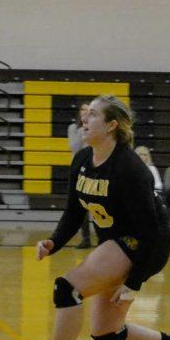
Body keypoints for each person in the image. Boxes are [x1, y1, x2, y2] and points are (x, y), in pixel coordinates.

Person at [9, 96, 170, 340]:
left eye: (93, 115)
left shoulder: (130, 169)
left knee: (67, 289)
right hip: (117, 243)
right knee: (107, 334)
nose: (85, 120)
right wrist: (54, 242)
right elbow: (74, 212)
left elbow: (150, 233)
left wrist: (132, 283)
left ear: (112, 125)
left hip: (145, 245)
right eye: (85, 115)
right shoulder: (83, 160)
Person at [68, 104, 92, 248]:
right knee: (80, 205)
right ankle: (86, 238)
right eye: (83, 109)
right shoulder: (73, 128)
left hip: (92, 169)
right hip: (77, 170)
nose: (85, 112)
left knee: (96, 203)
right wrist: (83, 129)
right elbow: (74, 147)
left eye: (88, 110)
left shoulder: (95, 127)